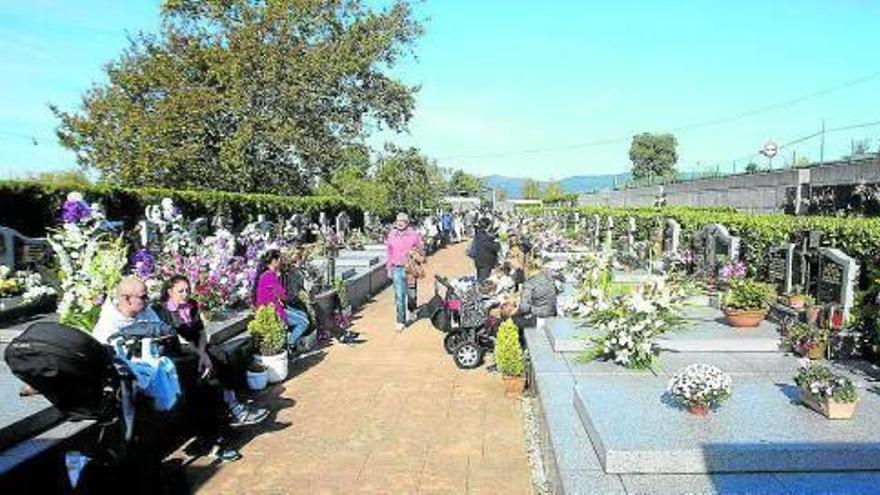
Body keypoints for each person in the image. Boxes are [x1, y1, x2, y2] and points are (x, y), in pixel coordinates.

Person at [153, 275, 268, 430]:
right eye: (180, 291)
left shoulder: (191, 305)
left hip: (198, 346)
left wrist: (203, 352)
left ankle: (233, 404)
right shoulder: (163, 311)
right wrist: (202, 356)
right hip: (179, 350)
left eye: (187, 290)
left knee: (224, 356)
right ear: (170, 291)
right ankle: (230, 409)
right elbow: (179, 338)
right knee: (208, 368)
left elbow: (201, 332)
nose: (185, 294)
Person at [253, 249, 310, 348]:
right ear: (274, 261)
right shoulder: (269, 275)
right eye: (279, 259)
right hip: (273, 311)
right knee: (304, 322)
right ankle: (290, 344)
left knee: (303, 314)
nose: (281, 261)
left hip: (275, 307)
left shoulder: (266, 274)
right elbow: (282, 295)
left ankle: (289, 337)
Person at [386, 212, 424, 331]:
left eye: (402, 221)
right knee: (399, 296)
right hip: (397, 268)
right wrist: (389, 268)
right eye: (398, 221)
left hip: (410, 269)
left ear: (407, 223)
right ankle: (400, 321)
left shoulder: (413, 234)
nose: (400, 223)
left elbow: (421, 249)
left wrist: (415, 254)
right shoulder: (392, 235)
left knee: (411, 295)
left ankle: (412, 309)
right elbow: (388, 252)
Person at [513, 262, 559, 339]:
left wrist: (515, 310)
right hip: (552, 314)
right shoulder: (550, 279)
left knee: (513, 320)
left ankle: (522, 344)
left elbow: (525, 308)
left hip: (538, 319)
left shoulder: (529, 284)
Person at [470, 217, 501, 282]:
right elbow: (494, 247)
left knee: (479, 278)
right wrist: (498, 243)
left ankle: (478, 288)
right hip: (486, 262)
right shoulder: (485, 237)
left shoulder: (478, 233)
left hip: (478, 260)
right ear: (488, 225)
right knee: (483, 281)